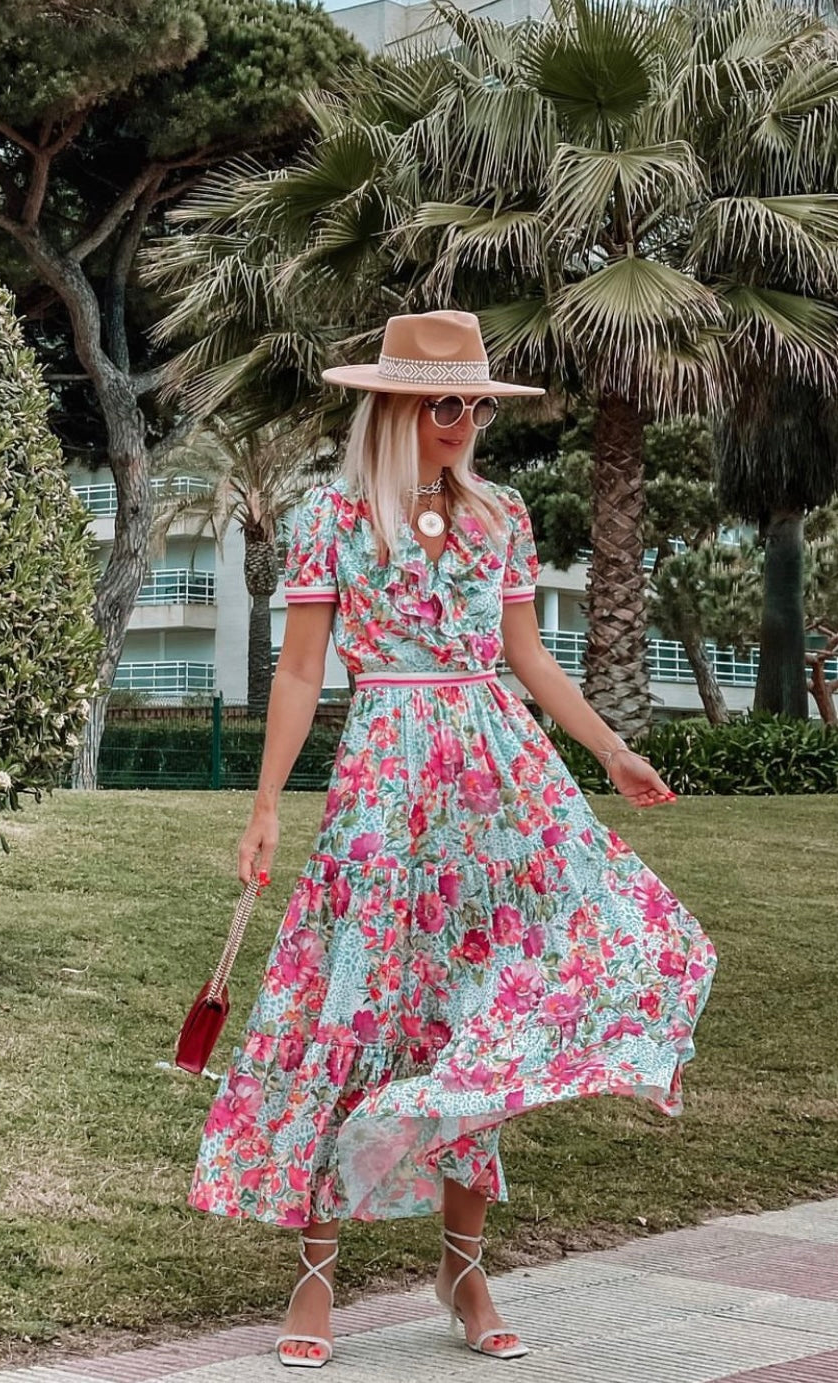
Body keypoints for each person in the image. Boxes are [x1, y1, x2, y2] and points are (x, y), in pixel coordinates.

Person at [186, 310, 718, 1368]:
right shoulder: (333, 517)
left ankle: (464, 1267)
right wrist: (264, 806)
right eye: (444, 403)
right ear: (392, 407)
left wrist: (611, 750)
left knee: (489, 1017)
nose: (464, 421)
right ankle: (314, 1277)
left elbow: (528, 655)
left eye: (477, 403)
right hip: (384, 779)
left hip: (497, 780)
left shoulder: (504, 515)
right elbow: (297, 674)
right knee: (351, 1006)